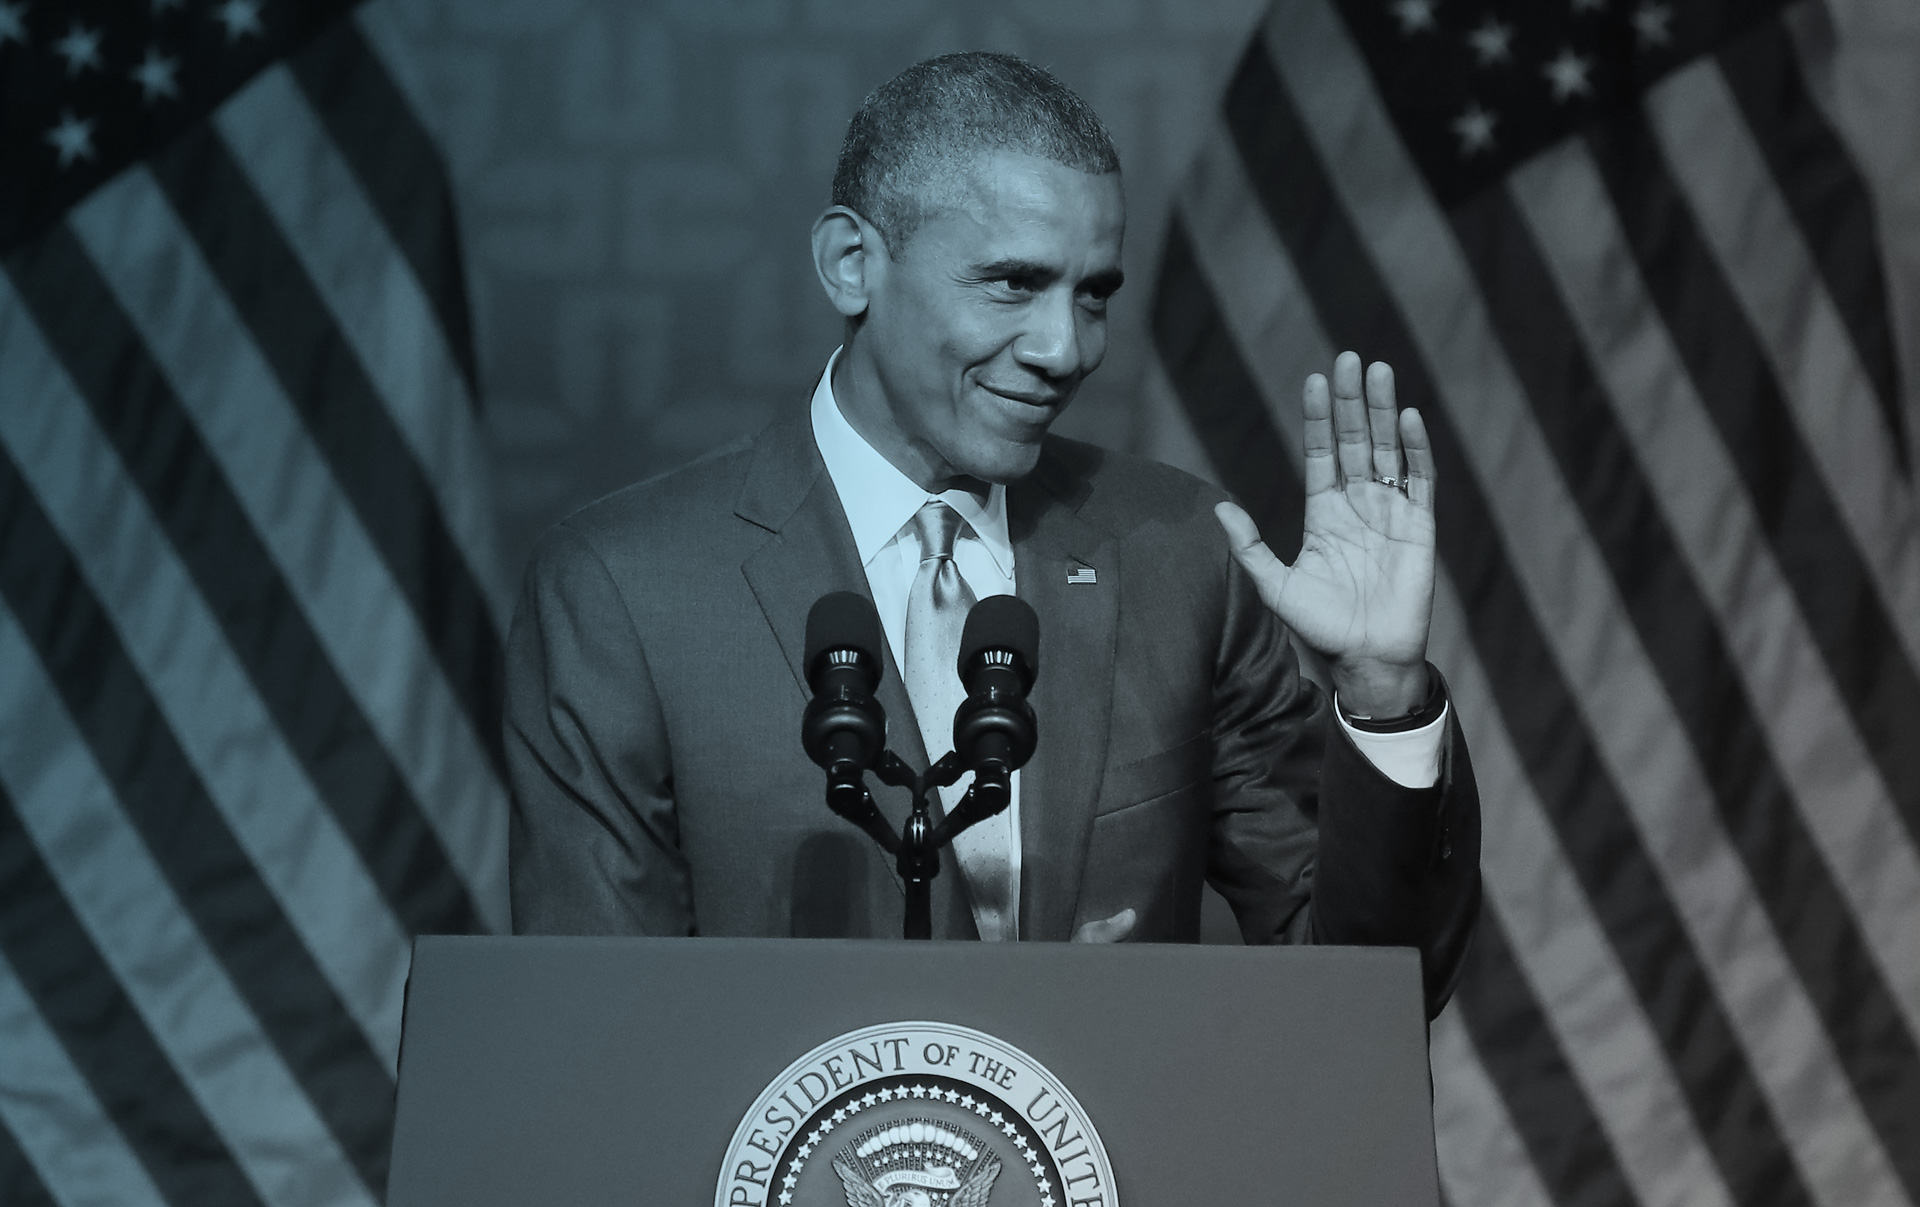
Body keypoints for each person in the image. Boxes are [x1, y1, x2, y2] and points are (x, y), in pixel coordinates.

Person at [505, 52, 1479, 1013]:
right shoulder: (627, 588)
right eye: (1013, 284)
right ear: (853, 263)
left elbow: (1371, 982)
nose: (1067, 348)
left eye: (1093, 292)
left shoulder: (1176, 550)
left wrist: (1385, 696)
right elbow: (597, 1031)